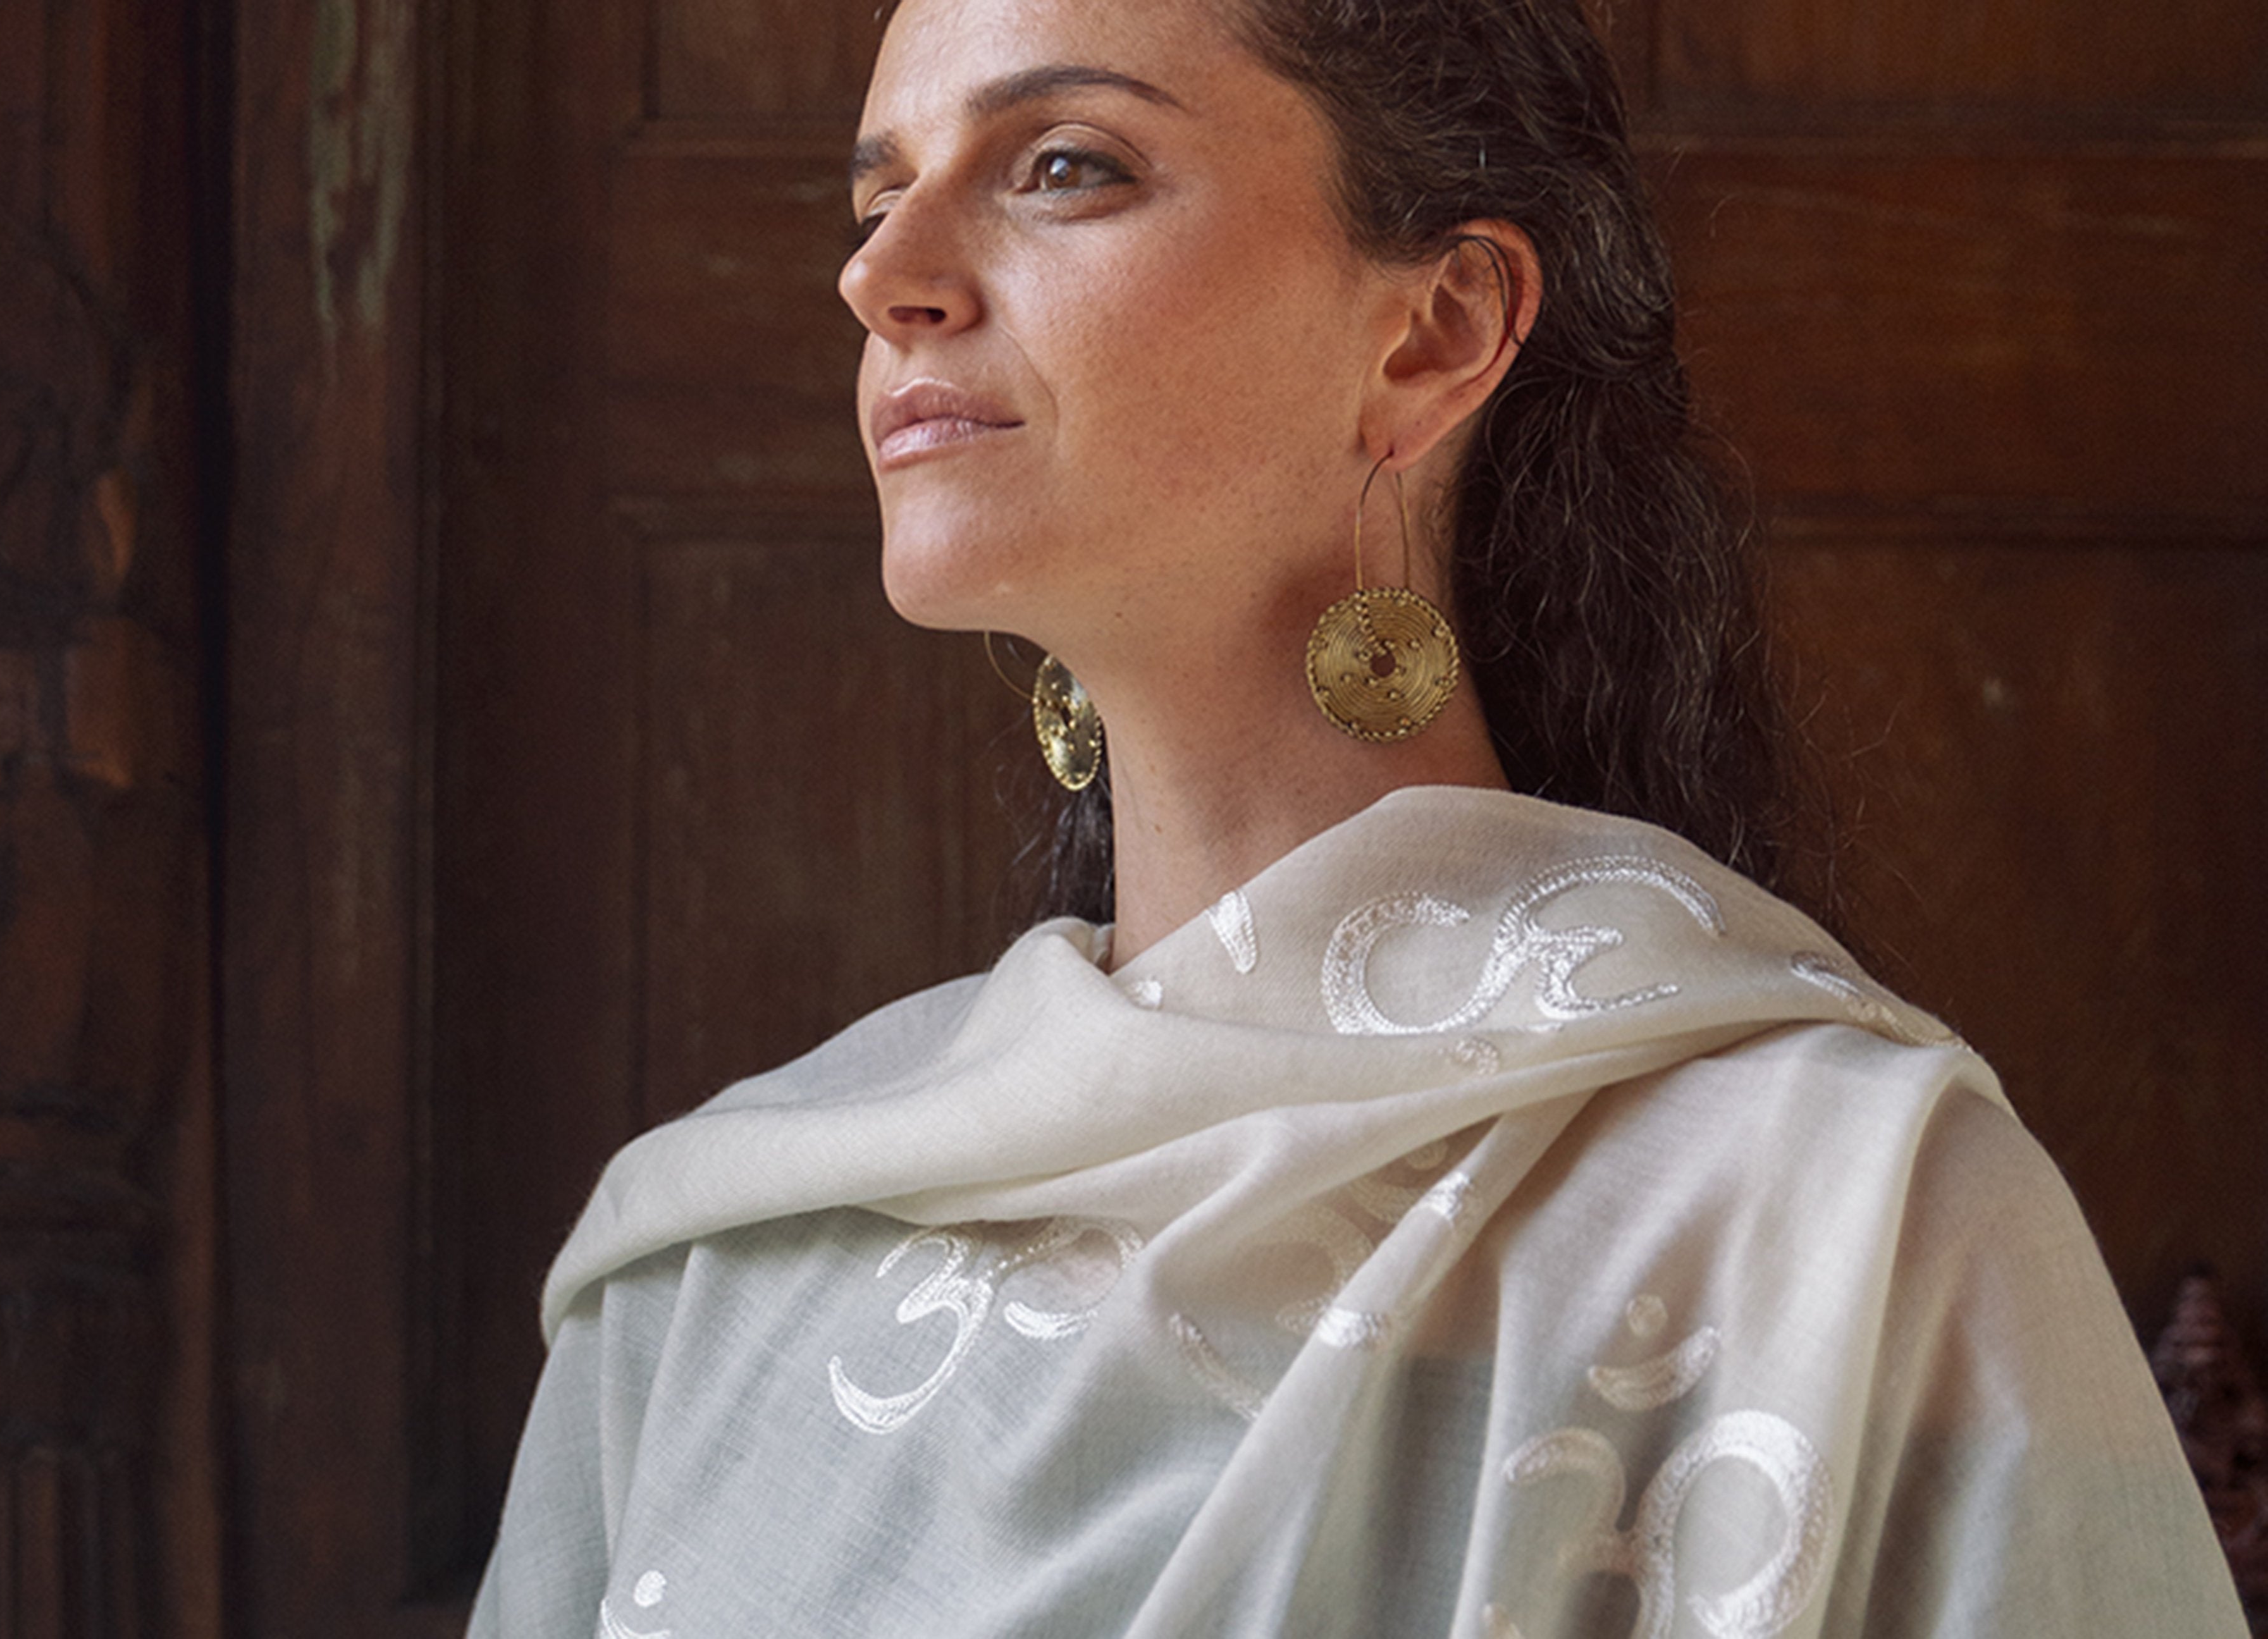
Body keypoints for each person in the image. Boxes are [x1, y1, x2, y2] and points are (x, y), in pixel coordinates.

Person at [469, 0, 2246, 1632]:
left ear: (1434, 331)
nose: (887, 278)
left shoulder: (1852, 1221)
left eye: (1064, 166)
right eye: (874, 199)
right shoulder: (713, 1255)